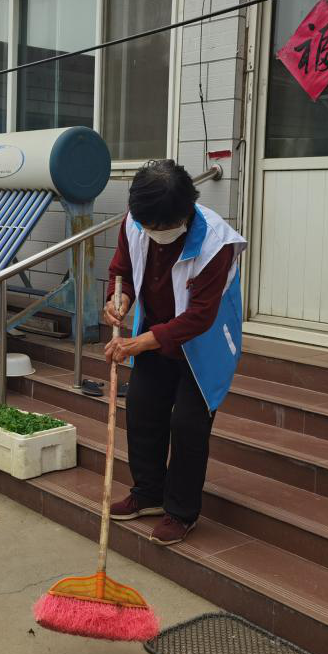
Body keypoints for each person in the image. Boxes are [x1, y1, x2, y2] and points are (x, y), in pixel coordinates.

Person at [103, 160, 246, 546]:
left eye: (165, 228)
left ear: (187, 212)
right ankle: (148, 493)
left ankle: (181, 511)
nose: (156, 234)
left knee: (188, 423)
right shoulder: (136, 221)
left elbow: (199, 317)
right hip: (155, 330)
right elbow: (123, 271)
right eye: (150, 227)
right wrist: (119, 300)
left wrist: (139, 342)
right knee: (144, 409)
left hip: (205, 341)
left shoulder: (217, 242)